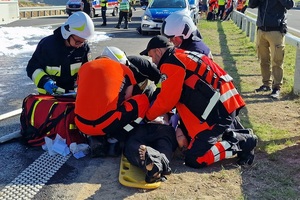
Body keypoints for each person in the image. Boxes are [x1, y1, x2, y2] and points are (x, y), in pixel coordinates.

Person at [140, 35, 258, 168]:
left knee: (194, 158)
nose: (153, 61)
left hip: (219, 112)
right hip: (226, 102)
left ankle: (241, 142)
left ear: (158, 51)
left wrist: (147, 116)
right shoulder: (182, 54)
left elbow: (167, 100)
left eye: (151, 56)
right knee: (192, 141)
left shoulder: (170, 63)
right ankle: (233, 137)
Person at [75, 46, 150, 157]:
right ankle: (116, 137)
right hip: (107, 124)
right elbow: (127, 99)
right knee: (142, 100)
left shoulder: (83, 68)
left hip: (81, 124)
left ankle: (93, 137)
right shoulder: (125, 70)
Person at [26, 11, 94, 95]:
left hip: (72, 96)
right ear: (67, 34)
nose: (80, 45)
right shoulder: (47, 45)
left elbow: (89, 71)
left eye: (83, 41)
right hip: (48, 96)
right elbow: (32, 67)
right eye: (78, 41)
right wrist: (44, 81)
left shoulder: (83, 48)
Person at [249, 0, 294, 99]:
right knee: (263, 60)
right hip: (261, 30)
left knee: (277, 61)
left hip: (276, 30)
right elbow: (251, 5)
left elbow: (290, 5)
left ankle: (276, 88)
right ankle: (266, 84)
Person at [124, 118, 178, 183]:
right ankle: (158, 165)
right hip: (159, 127)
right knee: (164, 146)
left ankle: (152, 162)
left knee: (133, 145)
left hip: (144, 127)